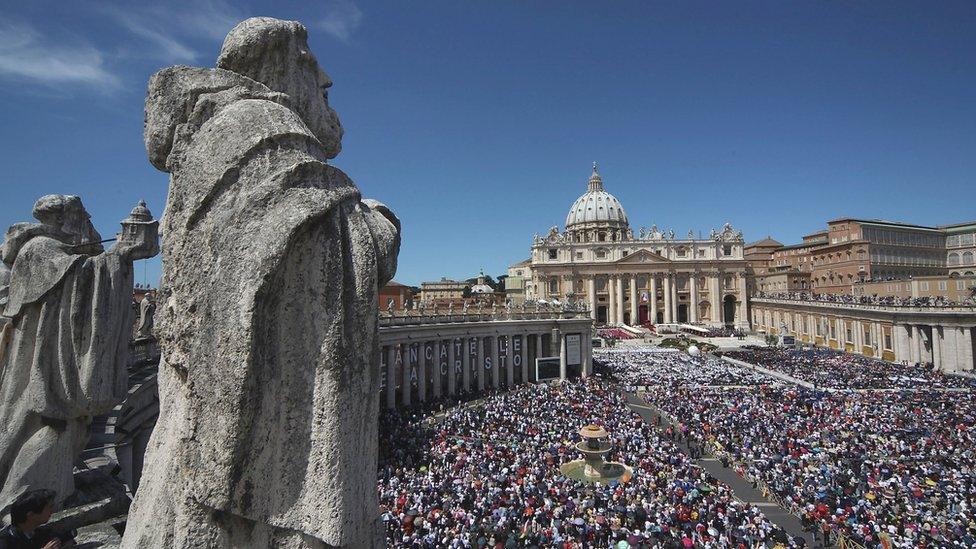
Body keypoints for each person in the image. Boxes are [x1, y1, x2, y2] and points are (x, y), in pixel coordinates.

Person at [0, 489, 73, 549]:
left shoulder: (37, 534)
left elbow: (69, 534)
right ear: (31, 515)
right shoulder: (5, 542)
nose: (52, 511)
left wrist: (65, 542)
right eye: (49, 507)